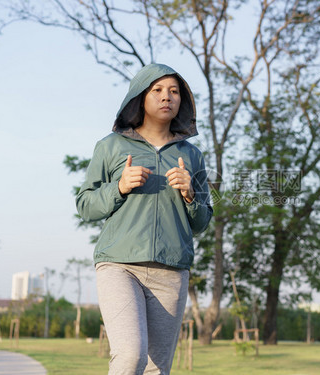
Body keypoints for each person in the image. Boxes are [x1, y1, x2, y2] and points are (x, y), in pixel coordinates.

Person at [76, 63, 213, 375]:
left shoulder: (192, 156)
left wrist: (190, 194)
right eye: (158, 90)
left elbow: (203, 221)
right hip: (120, 266)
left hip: (171, 272)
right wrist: (119, 187)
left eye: (174, 91)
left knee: (156, 369)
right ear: (141, 97)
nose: (167, 97)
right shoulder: (110, 147)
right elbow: (85, 204)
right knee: (130, 356)